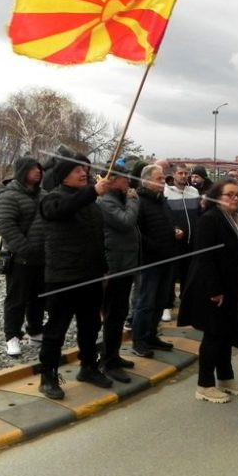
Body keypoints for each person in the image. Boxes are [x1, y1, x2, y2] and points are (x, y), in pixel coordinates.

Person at [37, 150, 113, 399]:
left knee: (90, 325)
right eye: (78, 170)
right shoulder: (52, 199)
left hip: (90, 275)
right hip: (63, 276)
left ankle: (88, 366)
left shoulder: (90, 204)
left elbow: (96, 239)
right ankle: (48, 376)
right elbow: (64, 209)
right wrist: (92, 192)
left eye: (85, 170)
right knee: (56, 329)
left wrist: (103, 270)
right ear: (63, 176)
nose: (84, 173)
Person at [181, 180, 238, 404]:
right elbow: (205, 257)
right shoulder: (210, 220)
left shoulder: (235, 218)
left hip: (232, 285)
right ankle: (205, 384)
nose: (235, 198)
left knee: (226, 333)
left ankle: (226, 378)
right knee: (213, 335)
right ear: (216, 197)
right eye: (229, 194)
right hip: (213, 288)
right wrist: (215, 290)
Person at [0, 157, 46, 356]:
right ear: (23, 171)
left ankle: (35, 330)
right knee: (16, 299)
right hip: (19, 258)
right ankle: (12, 337)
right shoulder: (8, 195)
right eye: (33, 168)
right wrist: (25, 249)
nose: (38, 171)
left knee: (38, 298)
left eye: (39, 168)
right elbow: (7, 227)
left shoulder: (44, 194)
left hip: (41, 258)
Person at [131, 164, 181, 358]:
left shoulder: (161, 201)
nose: (163, 182)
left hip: (167, 257)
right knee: (146, 301)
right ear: (146, 181)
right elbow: (137, 232)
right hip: (150, 260)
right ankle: (139, 340)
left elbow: (168, 221)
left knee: (160, 300)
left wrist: (175, 230)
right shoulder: (139, 202)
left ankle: (151, 335)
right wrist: (154, 246)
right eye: (159, 179)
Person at [96, 163, 140, 383]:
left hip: (125, 264)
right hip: (115, 266)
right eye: (124, 179)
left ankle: (113, 354)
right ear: (112, 179)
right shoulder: (106, 202)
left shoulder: (118, 199)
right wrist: (133, 200)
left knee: (120, 313)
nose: (128, 183)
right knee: (113, 316)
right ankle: (108, 361)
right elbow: (126, 222)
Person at [163, 163, 201, 322]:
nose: (184, 176)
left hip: (192, 240)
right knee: (171, 275)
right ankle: (167, 306)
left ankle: (187, 304)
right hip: (174, 241)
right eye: (180, 173)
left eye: (186, 173)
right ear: (173, 175)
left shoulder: (194, 192)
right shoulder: (166, 193)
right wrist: (173, 229)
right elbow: (165, 216)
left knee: (189, 274)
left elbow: (198, 214)